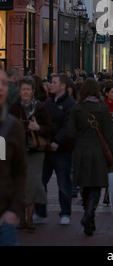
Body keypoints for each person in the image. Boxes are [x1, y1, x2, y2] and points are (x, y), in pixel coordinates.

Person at [67, 78, 113, 236]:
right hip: (98, 151)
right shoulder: (103, 108)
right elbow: (109, 135)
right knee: (96, 185)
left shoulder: (77, 108)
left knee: (85, 185)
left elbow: (70, 132)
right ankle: (89, 214)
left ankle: (89, 217)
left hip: (81, 150)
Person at [8, 76, 53, 231]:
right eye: (23, 89)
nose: (25, 92)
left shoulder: (40, 107)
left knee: (32, 183)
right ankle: (21, 220)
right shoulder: (14, 108)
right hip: (19, 151)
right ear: (19, 91)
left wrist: (38, 128)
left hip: (35, 151)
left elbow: (49, 129)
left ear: (33, 91)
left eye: (28, 89)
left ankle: (30, 220)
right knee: (20, 183)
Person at [34, 73, 76, 226]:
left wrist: (57, 141)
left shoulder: (70, 104)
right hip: (46, 148)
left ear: (63, 86)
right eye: (51, 82)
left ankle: (65, 213)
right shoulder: (48, 103)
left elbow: (68, 126)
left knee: (63, 183)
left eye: (54, 82)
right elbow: (43, 122)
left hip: (62, 150)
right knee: (41, 181)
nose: (51, 85)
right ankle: (40, 211)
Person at [0, 69, 27, 246]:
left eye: (3, 84)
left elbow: (20, 171)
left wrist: (14, 211)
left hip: (4, 219)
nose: (1, 88)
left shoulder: (12, 126)